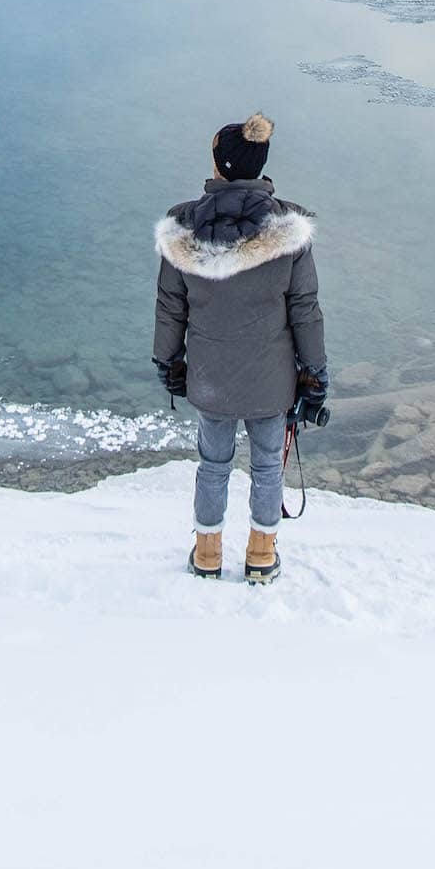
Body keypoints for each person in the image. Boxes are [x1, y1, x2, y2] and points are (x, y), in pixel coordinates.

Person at [152, 111, 328, 585]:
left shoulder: (182, 226)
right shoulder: (288, 232)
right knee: (268, 464)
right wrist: (314, 373)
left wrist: (169, 361)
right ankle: (261, 556)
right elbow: (305, 310)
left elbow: (171, 306)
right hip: (272, 379)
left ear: (222, 166)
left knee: (213, 464)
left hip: (210, 374)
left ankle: (207, 555)